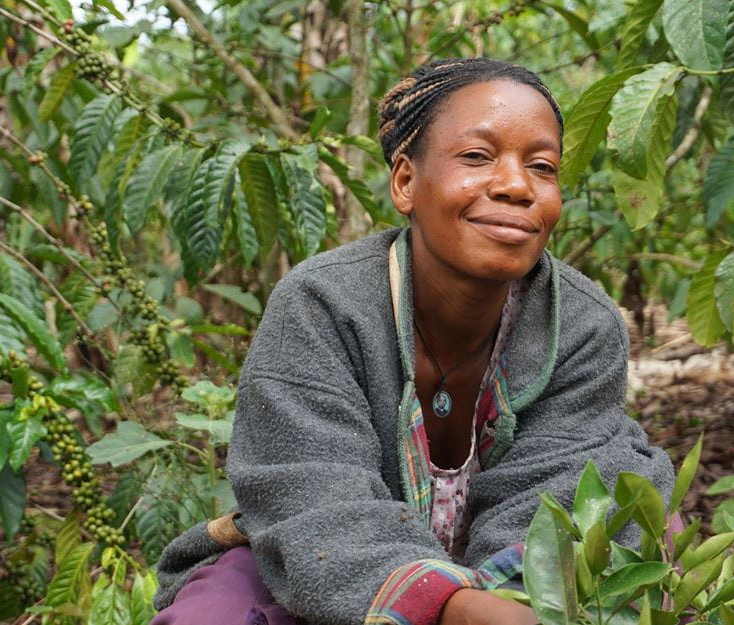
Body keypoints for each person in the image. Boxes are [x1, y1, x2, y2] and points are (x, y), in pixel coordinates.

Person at [151, 57, 674, 625]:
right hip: (333, 557)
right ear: (405, 182)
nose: (517, 186)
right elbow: (312, 495)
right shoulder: (322, 304)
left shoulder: (580, 322)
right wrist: (446, 604)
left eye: (542, 167)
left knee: (636, 539)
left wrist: (504, 602)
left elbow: (558, 496)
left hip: (513, 557)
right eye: (476, 156)